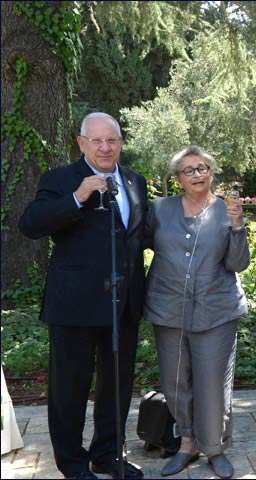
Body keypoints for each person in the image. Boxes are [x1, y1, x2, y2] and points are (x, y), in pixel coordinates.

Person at [19, 113, 147, 479]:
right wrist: (78, 197)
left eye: (113, 140)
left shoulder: (135, 182)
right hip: (74, 305)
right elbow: (31, 225)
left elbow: (141, 236)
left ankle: (107, 454)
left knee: (117, 387)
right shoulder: (61, 179)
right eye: (97, 141)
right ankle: (73, 463)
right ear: (81, 143)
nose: (106, 147)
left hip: (122, 304)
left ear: (121, 142)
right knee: (69, 389)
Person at [144, 145, 250, 479]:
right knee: (176, 382)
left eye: (202, 168)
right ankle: (187, 443)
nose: (197, 175)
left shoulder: (226, 210)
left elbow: (237, 264)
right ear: (177, 178)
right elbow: (141, 245)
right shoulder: (160, 209)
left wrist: (237, 228)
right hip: (168, 308)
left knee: (213, 384)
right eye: (189, 170)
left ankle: (215, 448)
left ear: (211, 173)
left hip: (216, 310)